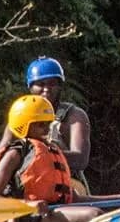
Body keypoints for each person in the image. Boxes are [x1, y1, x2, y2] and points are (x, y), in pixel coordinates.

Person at [0, 94, 104, 222]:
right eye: (41, 125)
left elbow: (75, 198)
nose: (47, 130)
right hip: (25, 218)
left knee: (101, 211)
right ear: (24, 126)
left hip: (52, 212)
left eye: (49, 124)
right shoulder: (14, 155)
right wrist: (28, 204)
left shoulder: (50, 152)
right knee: (94, 215)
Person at [24, 57, 93, 195]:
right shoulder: (20, 115)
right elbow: (2, 151)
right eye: (40, 84)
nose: (46, 89)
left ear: (60, 86)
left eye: (52, 83)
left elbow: (80, 159)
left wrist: (42, 156)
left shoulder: (74, 116)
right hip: (30, 185)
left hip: (68, 187)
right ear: (30, 87)